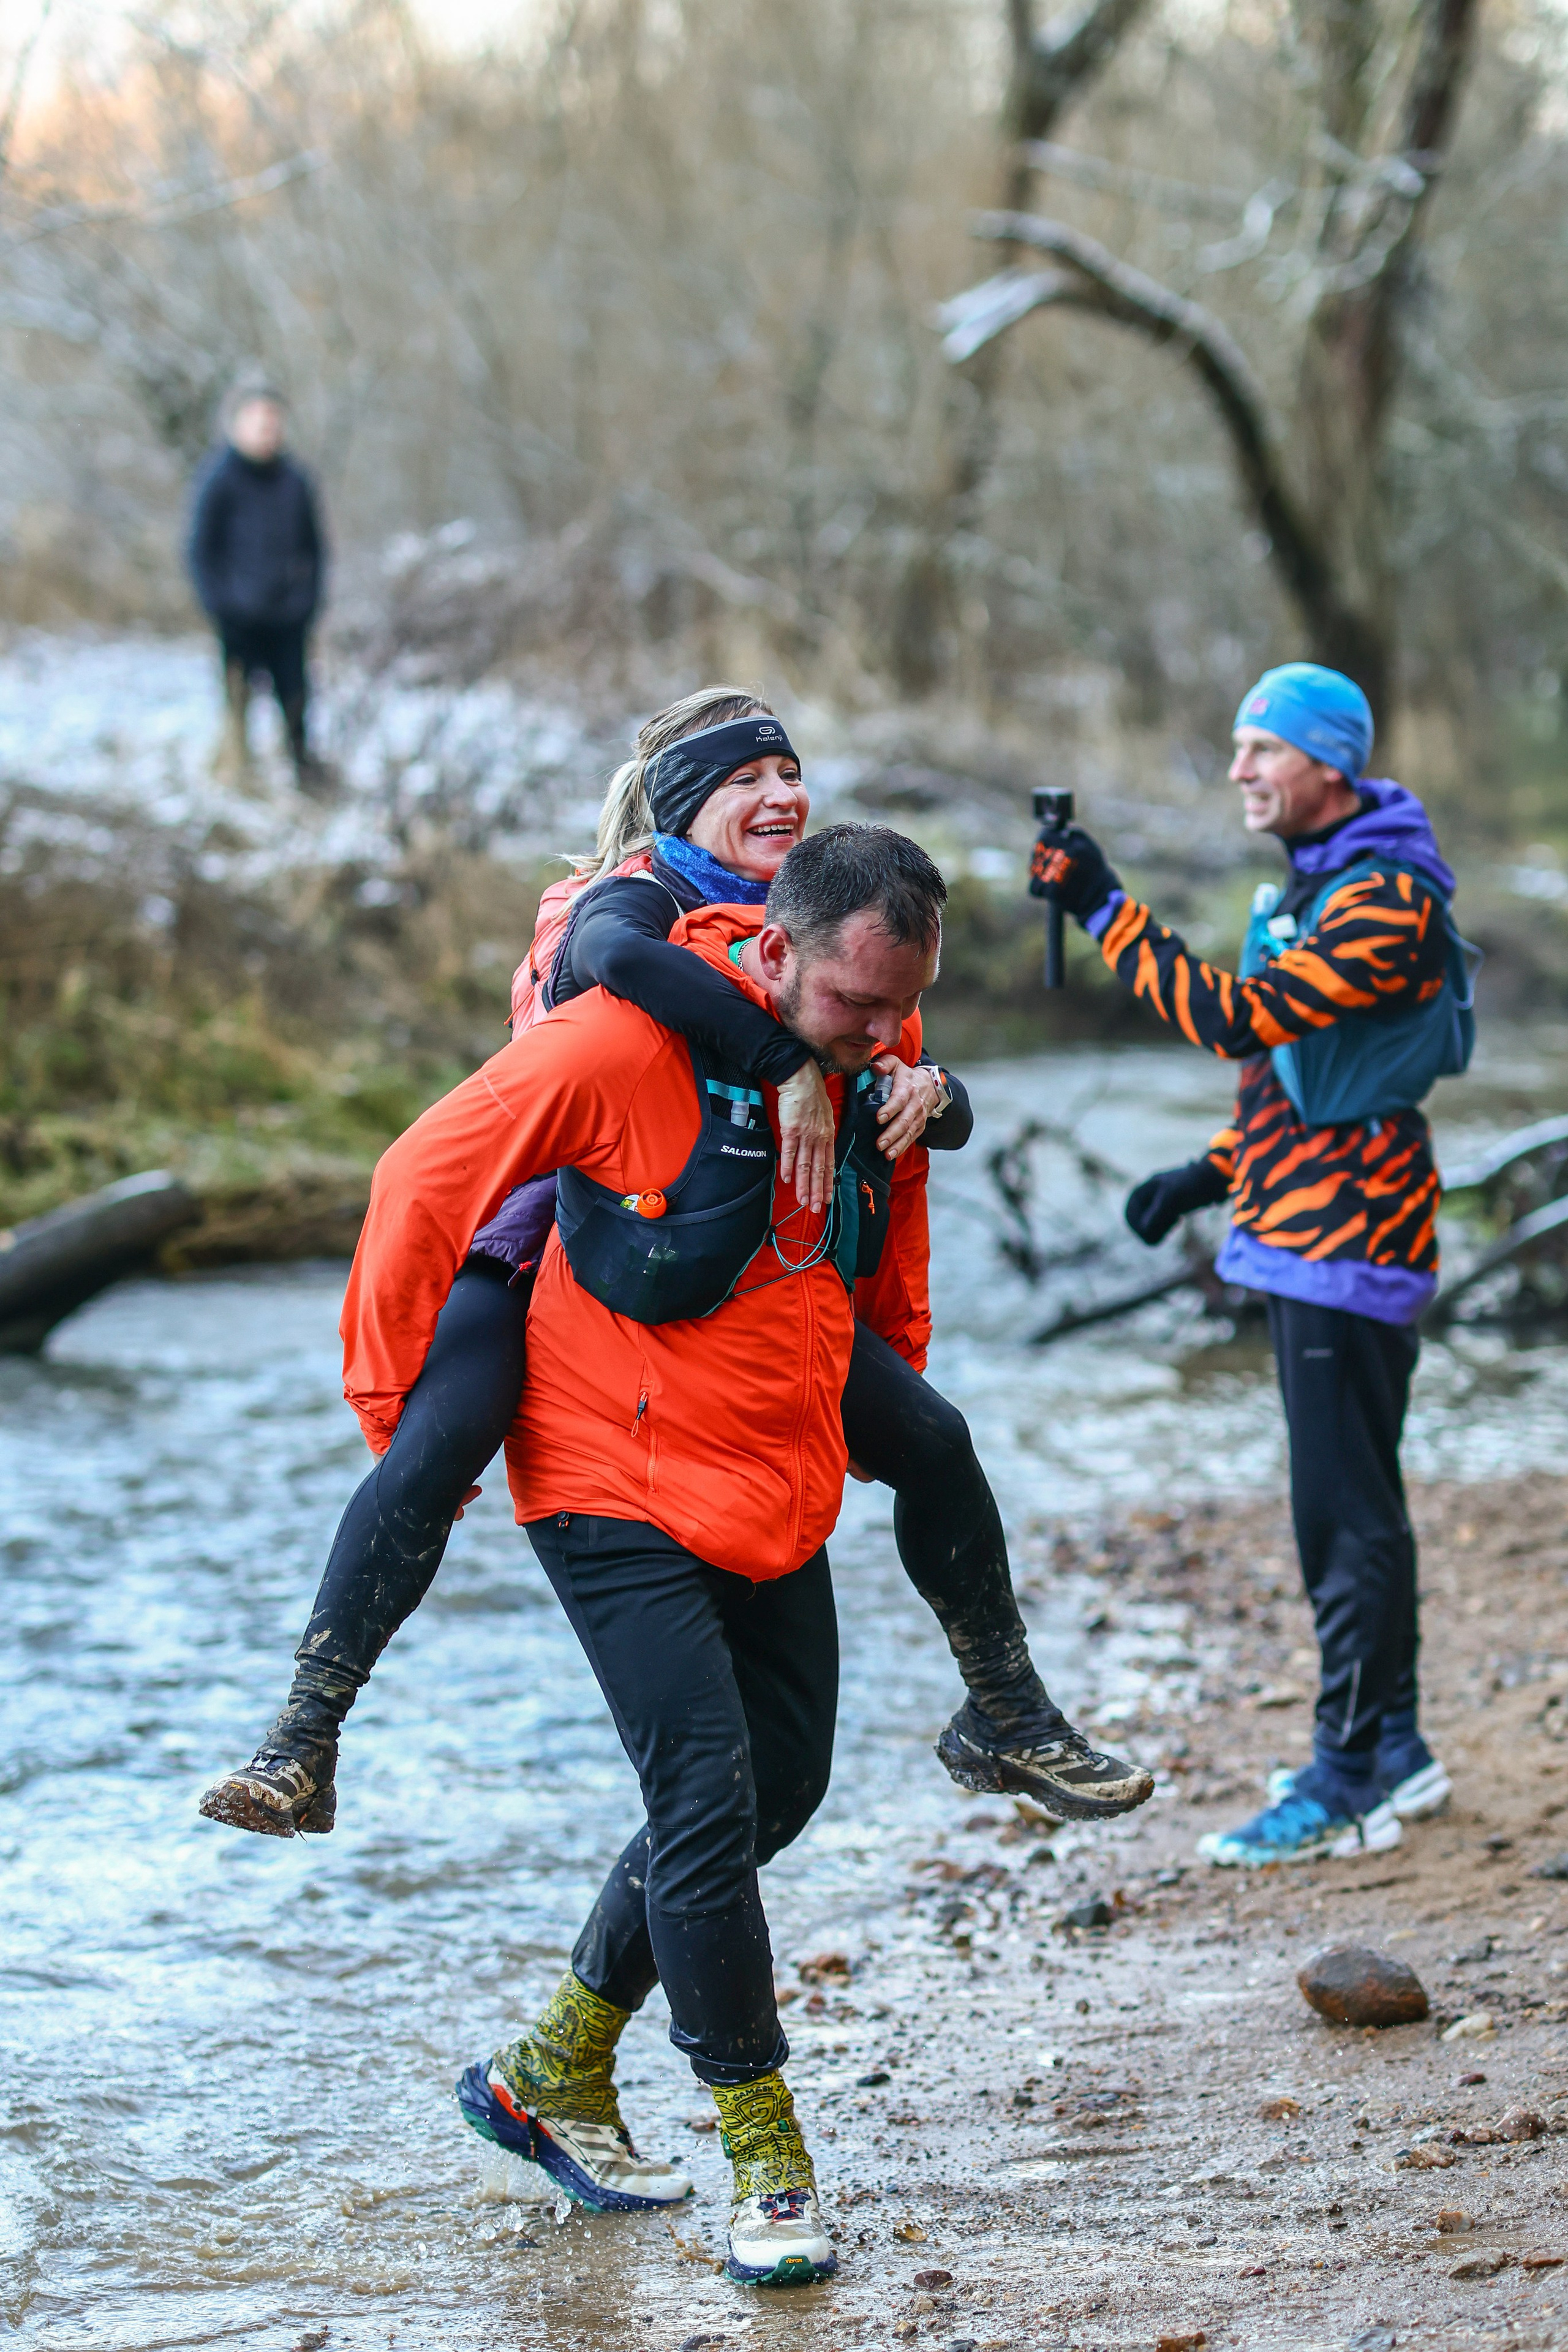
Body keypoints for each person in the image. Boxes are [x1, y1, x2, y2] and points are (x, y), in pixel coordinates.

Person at [330, 823, 1150, 2285]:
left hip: (767, 1470)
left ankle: (546, 2068)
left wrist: (892, 1363)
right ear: (771, 951)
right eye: (849, 1010)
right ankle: (764, 2152)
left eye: (898, 1012)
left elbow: (869, 1248)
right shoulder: (613, 1047)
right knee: (704, 1798)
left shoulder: (867, 1048)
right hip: (600, 1473)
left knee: (782, 1782)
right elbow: (415, 1181)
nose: (873, 1038)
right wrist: (399, 1420)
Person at [200, 690, 1150, 1839]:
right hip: (550, 1241)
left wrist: (931, 1091)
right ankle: (304, 1737)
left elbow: (905, 1072)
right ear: (686, 805)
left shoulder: (831, 917)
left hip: (741, 1280)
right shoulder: (618, 900)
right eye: (747, 780)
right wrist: (777, 1059)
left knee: (936, 1441)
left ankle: (1006, 1709)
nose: (780, 795)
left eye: (791, 772)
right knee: (436, 1441)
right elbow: (611, 962)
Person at [1031, 662, 1472, 1869]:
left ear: (1328, 764)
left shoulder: (1384, 898)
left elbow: (1236, 1019)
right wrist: (1207, 1172)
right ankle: (1393, 1751)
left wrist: (1104, 906)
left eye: (1259, 750)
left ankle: (1342, 1779)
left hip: (1347, 1246)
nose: (1237, 771)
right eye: (1235, 748)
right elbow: (1313, 1083)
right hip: (1300, 1234)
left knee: (1341, 1523)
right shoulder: (1323, 881)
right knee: (1354, 1507)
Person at [187, 377, 328, 793]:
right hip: (238, 617)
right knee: (237, 701)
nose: (268, 430)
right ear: (239, 425)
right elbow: (199, 548)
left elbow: (315, 548)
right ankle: (236, 775)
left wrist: (307, 602)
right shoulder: (218, 478)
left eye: (274, 422)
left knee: (297, 698)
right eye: (259, 421)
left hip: (289, 617)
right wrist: (220, 604)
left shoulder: (295, 480)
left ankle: (303, 772)